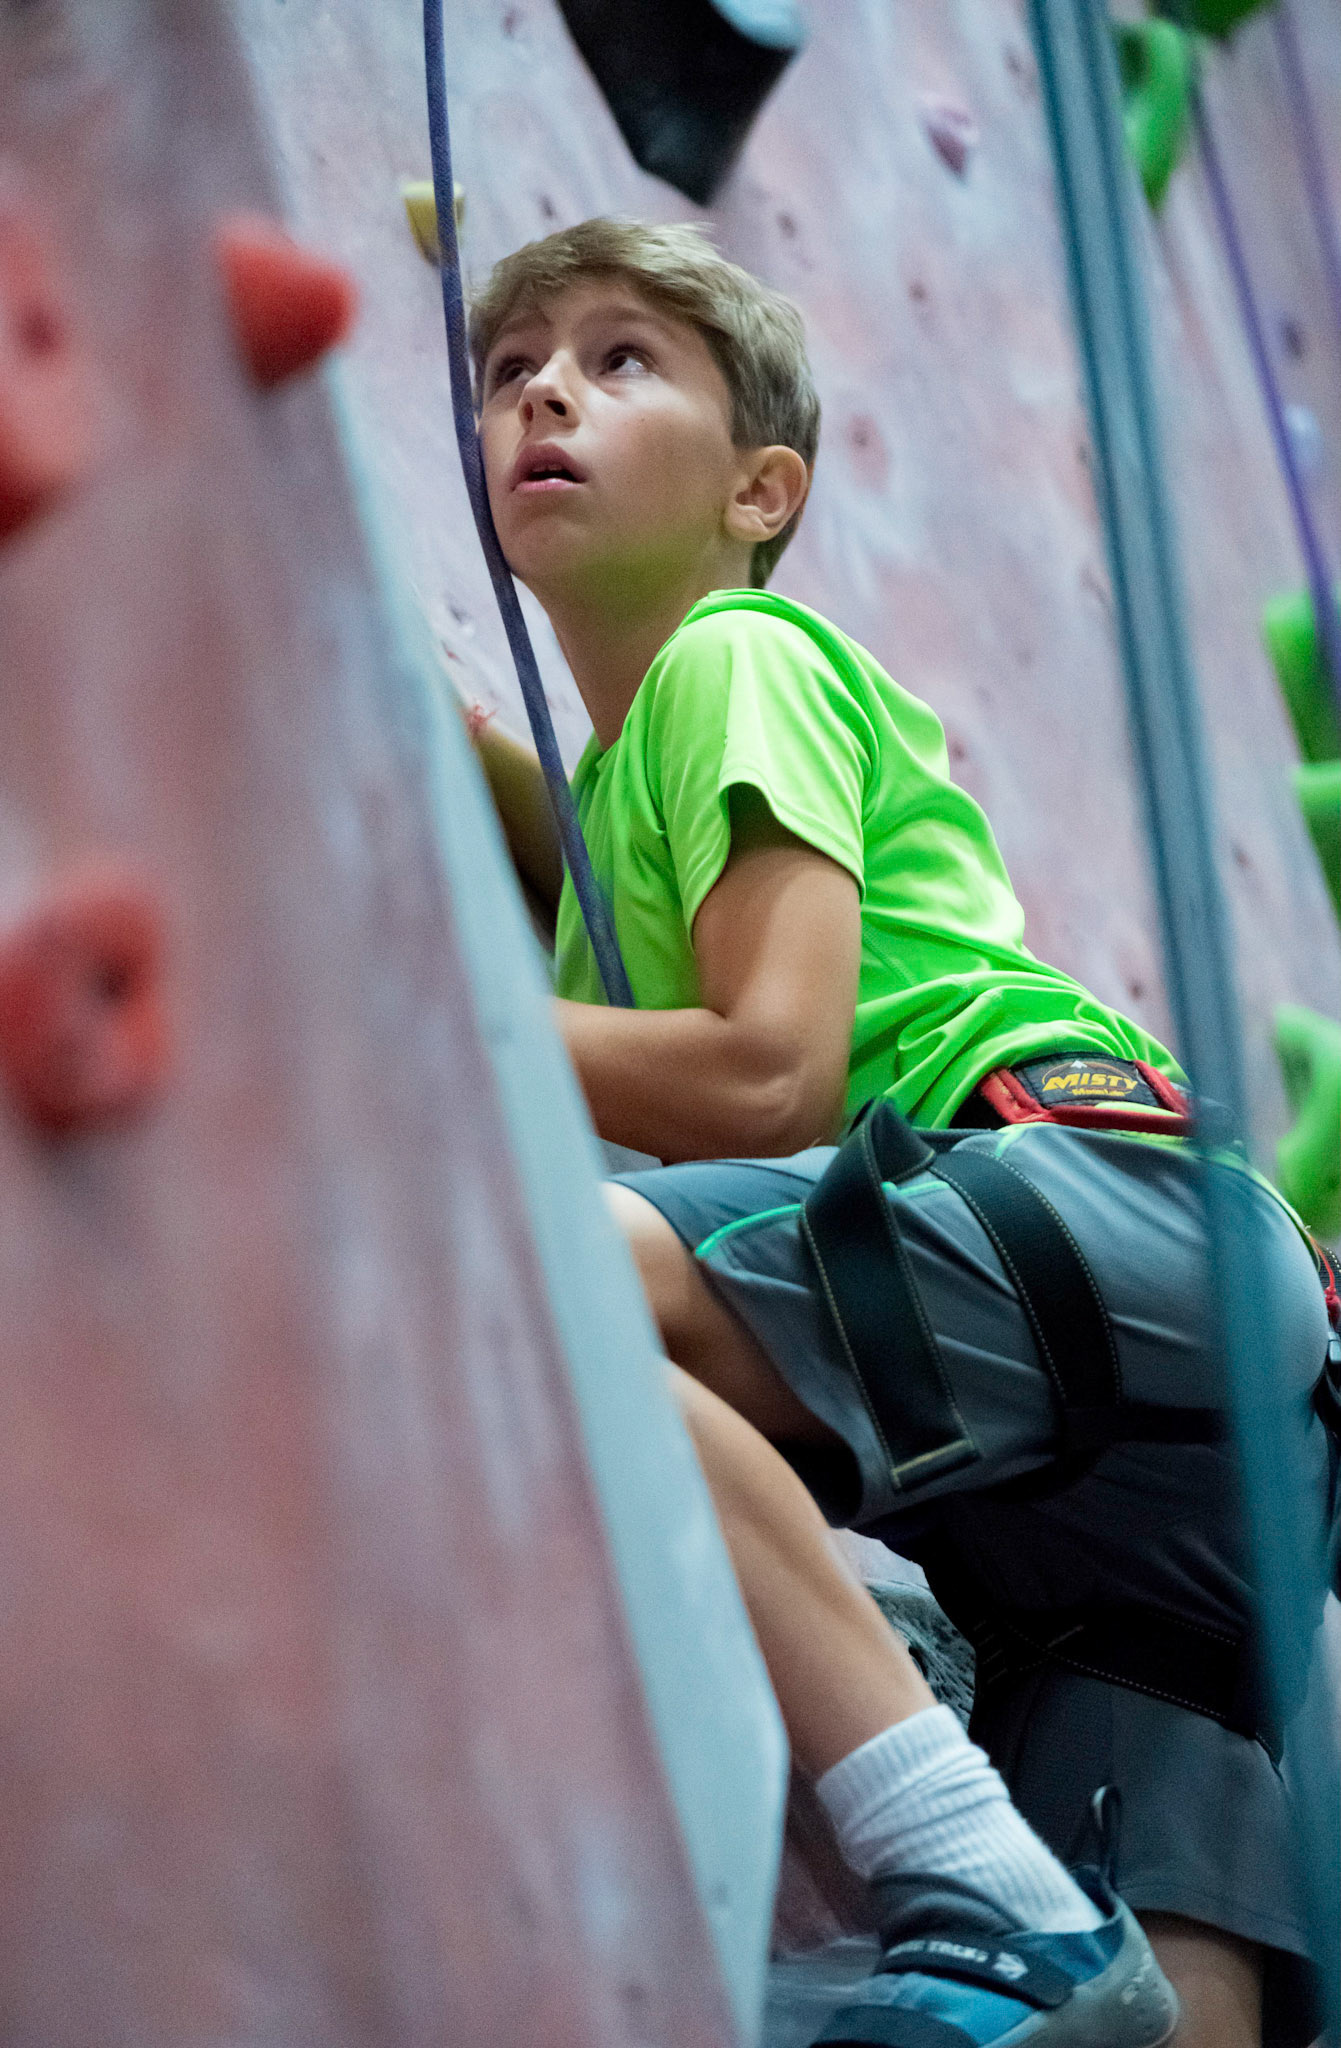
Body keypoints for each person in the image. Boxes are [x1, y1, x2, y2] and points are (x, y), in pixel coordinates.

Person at [464, 215, 1336, 2048]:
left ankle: (974, 1874)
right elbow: (584, 857)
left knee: (527, 1295)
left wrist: (434, 1013)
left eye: (621, 360)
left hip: (1069, 1217)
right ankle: (1047, 1928)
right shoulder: (642, 785)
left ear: (759, 489)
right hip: (1179, 1378)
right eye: (507, 369)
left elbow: (768, 1071)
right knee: (1167, 2011)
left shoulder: (734, 652)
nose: (543, 386)